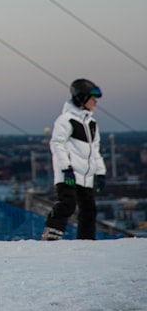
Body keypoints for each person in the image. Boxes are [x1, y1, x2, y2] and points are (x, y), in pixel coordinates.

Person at [42, 79, 107, 241]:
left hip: (86, 177)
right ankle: (51, 234)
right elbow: (57, 144)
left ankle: (86, 241)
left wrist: (100, 173)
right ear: (81, 99)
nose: (95, 102)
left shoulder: (92, 123)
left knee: (89, 209)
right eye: (92, 99)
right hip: (69, 174)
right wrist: (66, 168)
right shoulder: (66, 120)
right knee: (68, 205)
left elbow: (95, 150)